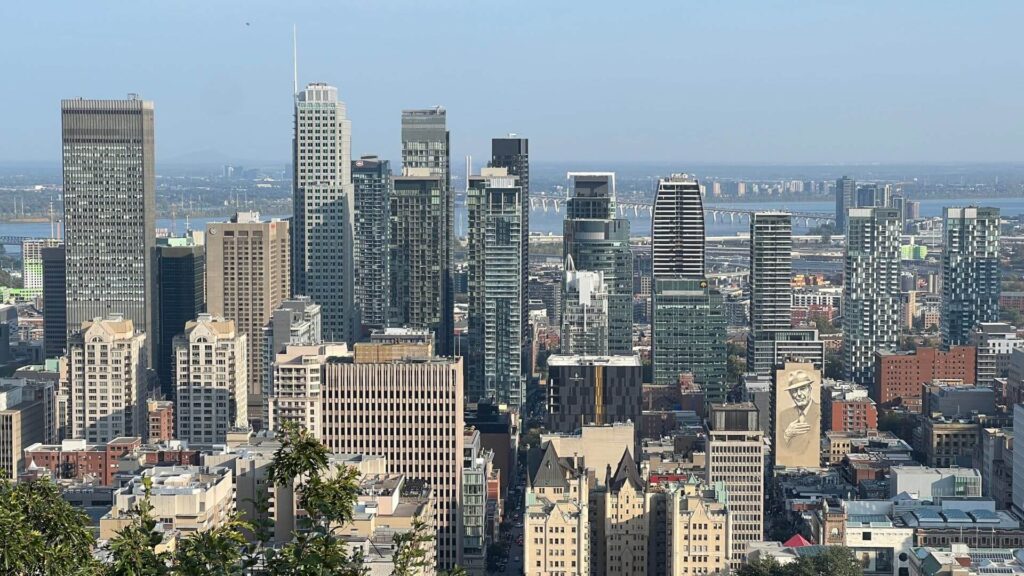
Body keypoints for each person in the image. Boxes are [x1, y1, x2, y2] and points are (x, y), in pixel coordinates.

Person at [779, 369, 819, 458]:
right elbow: (781, 447)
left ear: (810, 389)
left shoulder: (819, 411)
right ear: (790, 394)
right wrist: (787, 435)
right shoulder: (784, 415)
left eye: (802, 389)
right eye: (794, 391)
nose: (799, 394)